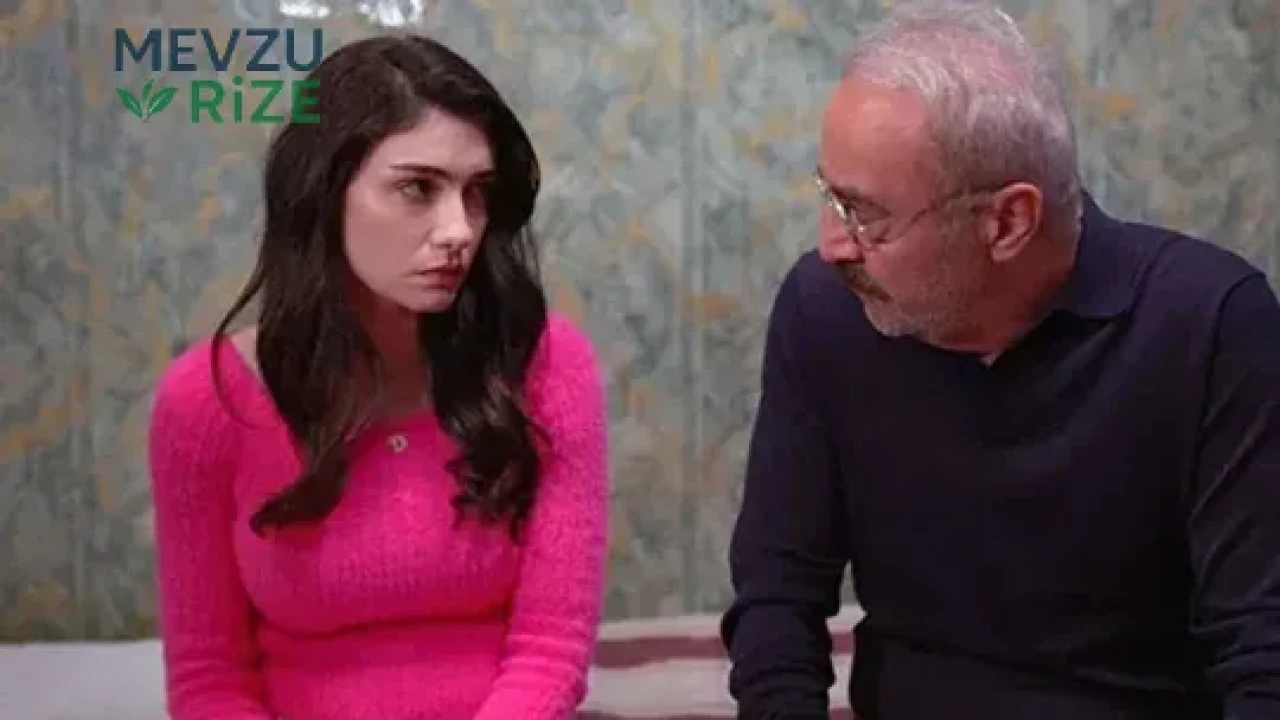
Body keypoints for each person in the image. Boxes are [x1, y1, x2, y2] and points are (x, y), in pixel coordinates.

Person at [720, 2, 1280, 718]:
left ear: (1008, 222)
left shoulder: (1211, 323)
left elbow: (1263, 647)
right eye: (831, 197)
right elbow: (776, 599)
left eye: (866, 215)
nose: (832, 244)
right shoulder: (824, 310)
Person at [146, 34, 609, 720]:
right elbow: (211, 678)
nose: (459, 229)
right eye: (418, 188)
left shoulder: (549, 366)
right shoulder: (204, 401)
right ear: (324, 192)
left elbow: (551, 649)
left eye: (477, 193)